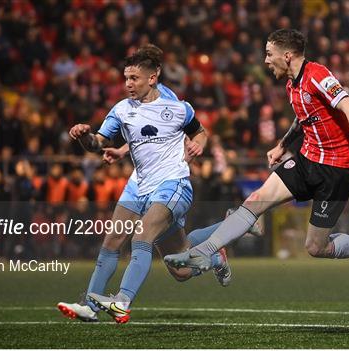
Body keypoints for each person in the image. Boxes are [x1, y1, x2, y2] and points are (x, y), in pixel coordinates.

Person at [165, 29, 349, 286]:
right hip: (306, 161)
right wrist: (282, 144)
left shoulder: (317, 75)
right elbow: (303, 117)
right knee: (256, 200)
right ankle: (203, 252)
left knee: (315, 247)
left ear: (286, 56)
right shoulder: (291, 85)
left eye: (268, 54)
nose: (265, 60)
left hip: (336, 172)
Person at [57, 45, 236, 324]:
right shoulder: (120, 109)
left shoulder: (175, 106)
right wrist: (85, 137)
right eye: (126, 78)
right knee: (166, 263)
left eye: (134, 79)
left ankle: (122, 301)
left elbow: (197, 132)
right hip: (137, 185)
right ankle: (91, 304)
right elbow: (98, 143)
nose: (128, 84)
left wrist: (197, 145)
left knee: (141, 238)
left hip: (172, 183)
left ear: (153, 78)